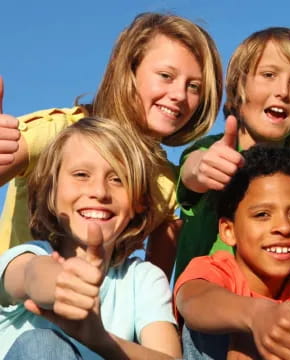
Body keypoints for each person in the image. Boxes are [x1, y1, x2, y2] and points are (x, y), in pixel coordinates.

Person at [0, 12, 223, 277]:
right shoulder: (56, 132)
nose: (179, 95)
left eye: (194, 86)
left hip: (96, 317)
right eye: (165, 75)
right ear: (128, 70)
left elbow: (156, 288)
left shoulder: (166, 183)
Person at [0, 117, 181, 359]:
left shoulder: (143, 279)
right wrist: (62, 284)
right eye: (81, 174)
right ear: (52, 193)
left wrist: (100, 340)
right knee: (42, 344)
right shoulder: (27, 255)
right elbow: (30, 275)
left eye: (118, 179)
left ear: (139, 202)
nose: (99, 192)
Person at [175, 145, 290, 360]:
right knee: (207, 327)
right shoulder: (215, 270)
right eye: (263, 214)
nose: (284, 227)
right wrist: (256, 316)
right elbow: (192, 301)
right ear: (229, 231)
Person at [174, 26, 290, 283]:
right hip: (213, 315)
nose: (283, 91)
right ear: (238, 85)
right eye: (268, 74)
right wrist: (204, 169)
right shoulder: (212, 151)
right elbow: (193, 171)